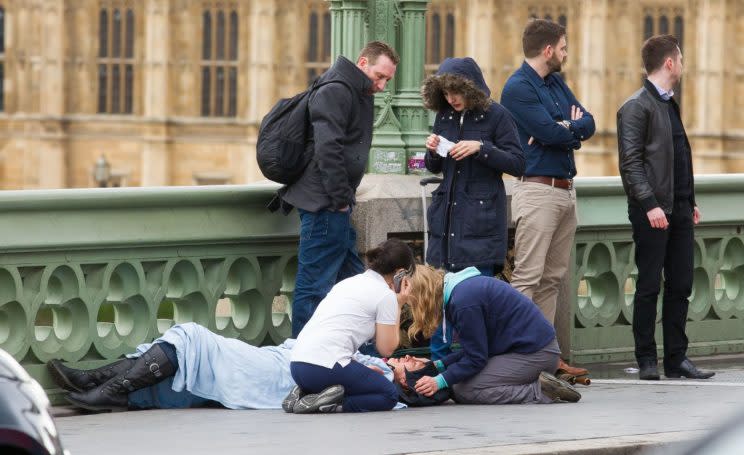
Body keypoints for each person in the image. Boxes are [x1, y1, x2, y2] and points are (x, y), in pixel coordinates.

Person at [275, 41, 400, 338]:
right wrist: (341, 200)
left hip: (335, 204)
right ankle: (299, 359)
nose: (382, 86)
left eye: (387, 80)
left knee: (355, 281)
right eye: (379, 76)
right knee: (314, 287)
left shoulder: (356, 90)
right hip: (325, 205)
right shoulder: (336, 90)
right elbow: (327, 150)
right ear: (362, 63)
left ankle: (360, 352)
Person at [47, 322, 440, 412]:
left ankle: (105, 389)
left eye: (414, 363)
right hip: (281, 359)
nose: (409, 356)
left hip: (278, 374)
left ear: (413, 381)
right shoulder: (377, 362)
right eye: (412, 354)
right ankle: (99, 382)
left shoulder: (382, 380)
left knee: (195, 340)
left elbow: (338, 377)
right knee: (189, 360)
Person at [500, 19, 595, 377]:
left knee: (552, 279)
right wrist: (566, 129)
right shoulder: (517, 88)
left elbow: (588, 122)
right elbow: (547, 131)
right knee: (527, 278)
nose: (567, 53)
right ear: (549, 50)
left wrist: (565, 129)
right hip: (537, 189)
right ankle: (517, 358)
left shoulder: (556, 82)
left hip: (565, 190)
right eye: (565, 47)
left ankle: (546, 358)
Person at [616, 35, 714, 381]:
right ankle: (646, 359)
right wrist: (650, 205)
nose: (683, 66)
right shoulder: (635, 106)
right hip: (653, 212)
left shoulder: (668, 103)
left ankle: (677, 359)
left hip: (680, 209)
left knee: (681, 284)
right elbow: (630, 164)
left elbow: (677, 158)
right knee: (648, 286)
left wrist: (690, 202)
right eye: (681, 59)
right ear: (670, 63)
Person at [421, 57, 525, 360]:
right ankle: (439, 366)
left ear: (471, 89)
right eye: (446, 93)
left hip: (479, 225)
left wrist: (482, 149)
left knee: (471, 301)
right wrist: (431, 150)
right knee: (438, 299)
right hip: (447, 222)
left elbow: (518, 163)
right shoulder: (444, 116)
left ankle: (473, 363)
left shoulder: (498, 117)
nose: (451, 99)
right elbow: (436, 166)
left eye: (456, 92)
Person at [406, 264, 581, 405]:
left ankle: (541, 390)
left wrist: (439, 381)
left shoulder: (463, 303)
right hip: (532, 350)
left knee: (464, 390)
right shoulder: (460, 290)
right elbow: (476, 348)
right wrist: (439, 365)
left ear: (424, 297)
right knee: (459, 381)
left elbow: (476, 358)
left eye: (412, 304)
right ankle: (541, 379)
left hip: (536, 354)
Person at [287, 238, 416, 413]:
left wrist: (358, 370)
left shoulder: (349, 282)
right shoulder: (386, 296)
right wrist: (399, 304)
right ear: (400, 273)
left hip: (298, 365)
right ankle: (332, 405)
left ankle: (305, 393)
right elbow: (387, 349)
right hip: (325, 367)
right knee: (388, 394)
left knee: (366, 378)